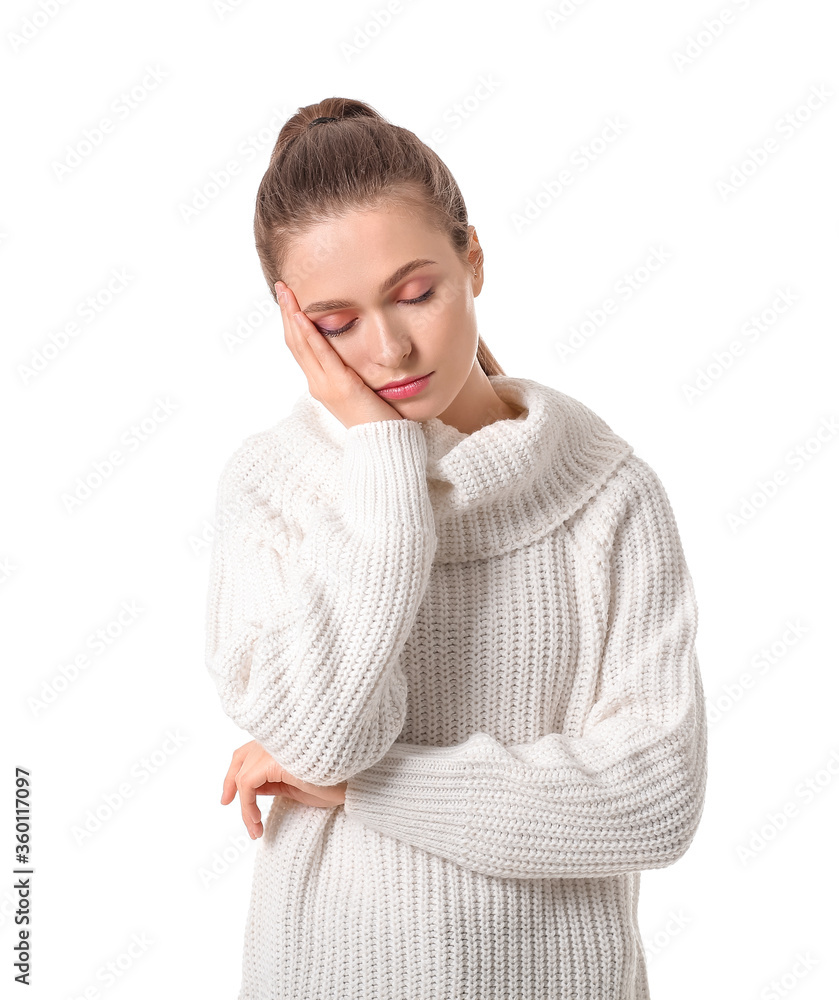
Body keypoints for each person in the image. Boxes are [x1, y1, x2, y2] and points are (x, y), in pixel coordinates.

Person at [204, 97, 708, 1000]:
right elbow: (325, 736)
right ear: (291, 325)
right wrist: (384, 459)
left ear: (471, 260)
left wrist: (366, 790)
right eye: (336, 323)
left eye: (414, 293)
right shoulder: (270, 489)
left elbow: (651, 800)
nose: (389, 347)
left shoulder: (605, 497)